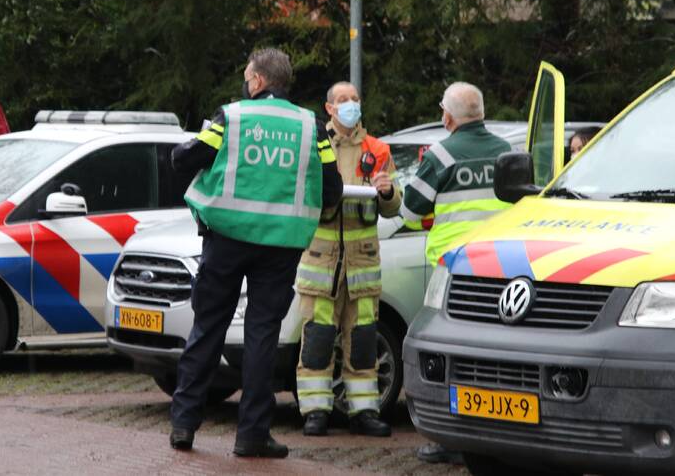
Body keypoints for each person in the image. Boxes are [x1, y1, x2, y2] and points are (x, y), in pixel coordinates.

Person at [168, 48, 343, 458]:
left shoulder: (233, 116)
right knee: (262, 336)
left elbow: (187, 159)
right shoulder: (312, 127)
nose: (245, 82)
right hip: (280, 248)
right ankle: (252, 436)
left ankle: (184, 425)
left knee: (207, 329)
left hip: (226, 241)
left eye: (248, 76)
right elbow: (332, 189)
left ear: (260, 81)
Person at [400, 82, 512, 465]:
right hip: (504, 269)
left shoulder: (441, 155)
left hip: (454, 272)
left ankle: (448, 438)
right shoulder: (507, 152)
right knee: (498, 355)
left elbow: (410, 211)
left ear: (447, 116)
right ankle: (501, 436)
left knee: (448, 355)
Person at [296, 81, 400, 438]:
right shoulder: (313, 146)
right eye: (343, 100)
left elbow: (393, 205)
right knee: (318, 340)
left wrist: (387, 191)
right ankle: (315, 410)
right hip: (321, 262)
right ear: (329, 109)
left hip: (362, 264)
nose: (351, 104)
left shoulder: (377, 149)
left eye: (355, 99)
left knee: (362, 340)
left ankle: (364, 411)